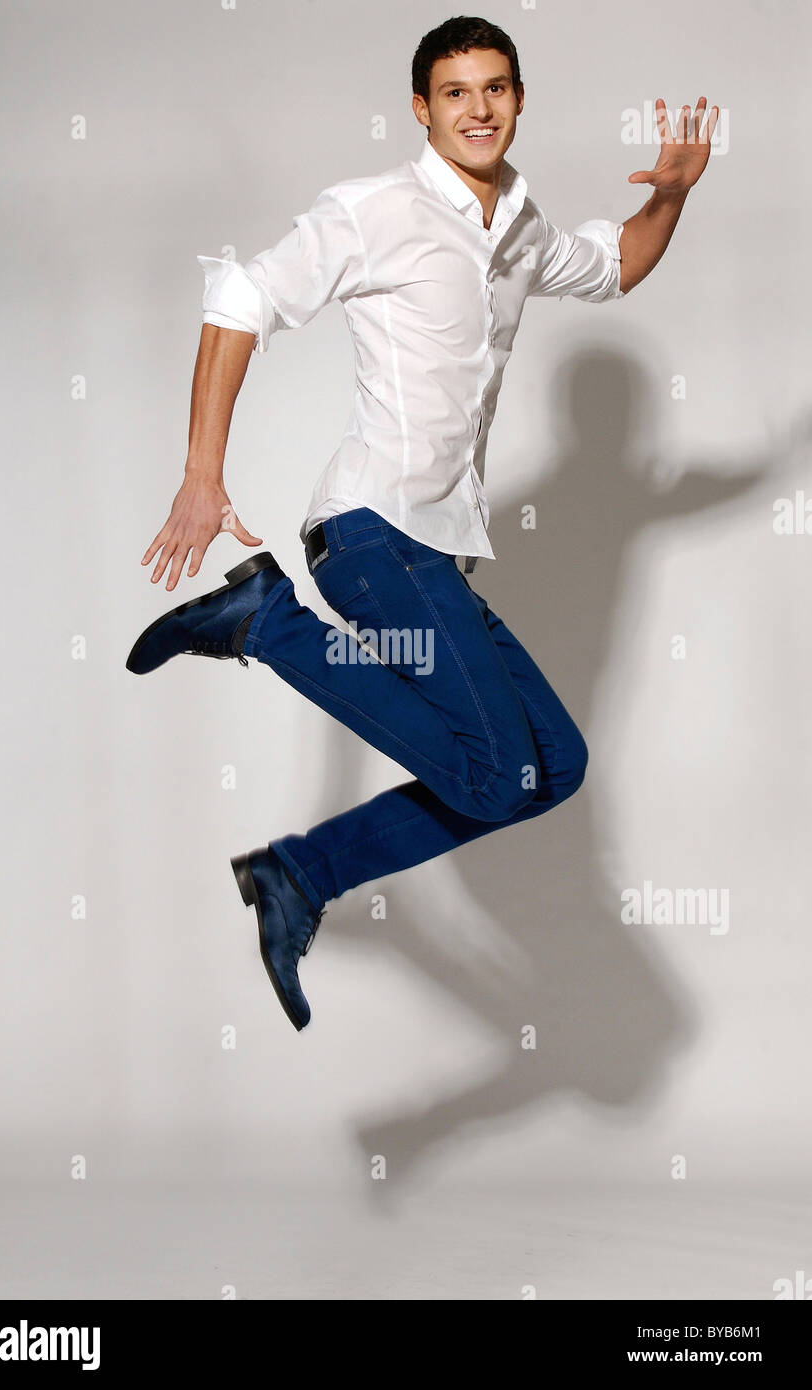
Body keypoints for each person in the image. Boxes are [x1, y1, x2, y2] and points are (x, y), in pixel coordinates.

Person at [126, 16, 718, 1031]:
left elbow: (613, 261)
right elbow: (240, 294)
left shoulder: (519, 222)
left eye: (494, 88)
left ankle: (299, 872)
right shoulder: (377, 210)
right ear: (421, 108)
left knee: (549, 769)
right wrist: (200, 473)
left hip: (434, 553)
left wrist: (668, 196)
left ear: (517, 99)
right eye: (454, 92)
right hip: (368, 533)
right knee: (497, 772)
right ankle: (264, 623)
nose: (477, 108)